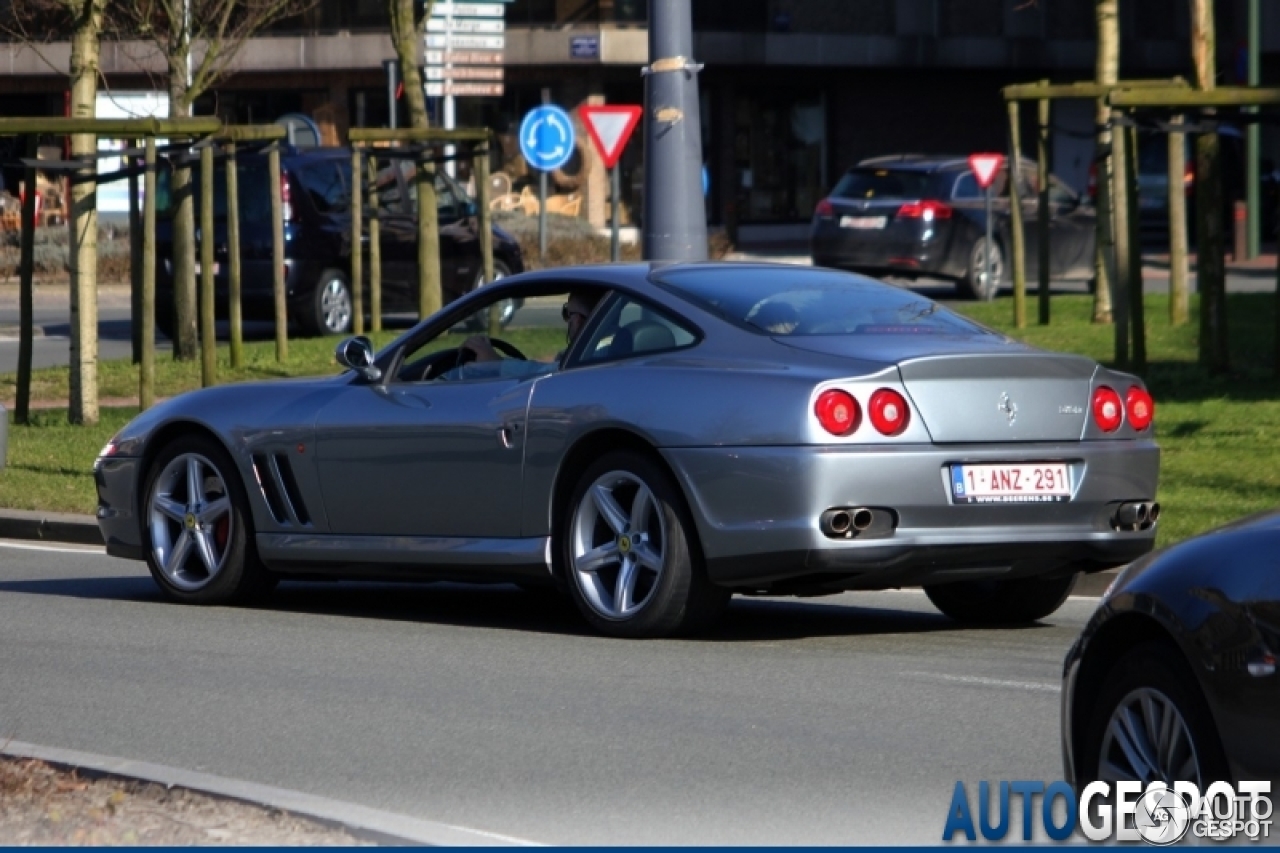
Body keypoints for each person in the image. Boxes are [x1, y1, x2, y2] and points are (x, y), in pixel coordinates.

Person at [443, 288, 603, 381]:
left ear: (578, 321)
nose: (568, 321)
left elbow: (546, 375)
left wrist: (494, 363)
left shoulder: (590, 362)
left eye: (568, 313)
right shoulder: (612, 353)